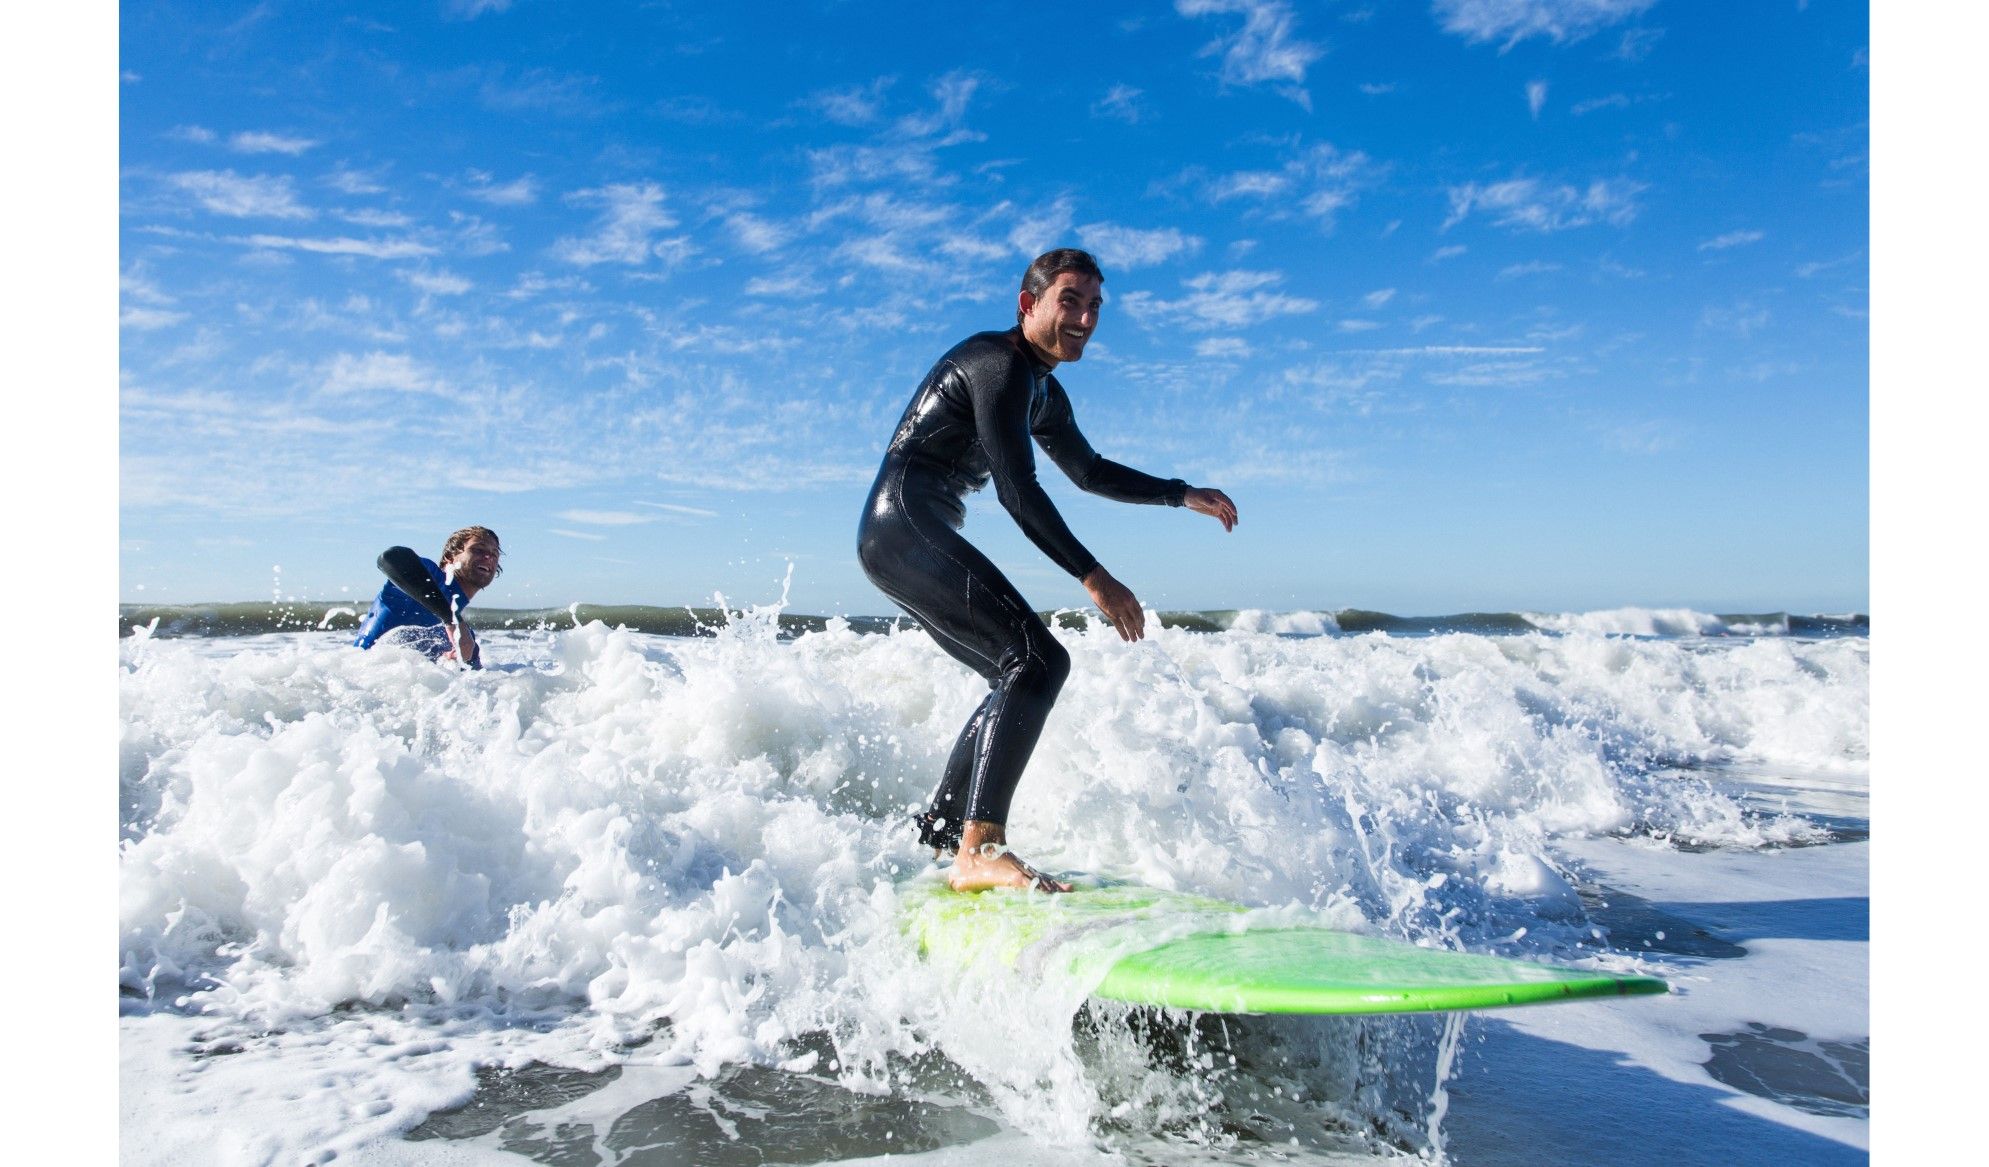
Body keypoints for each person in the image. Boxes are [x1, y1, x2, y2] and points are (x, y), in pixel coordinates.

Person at [857, 248, 1239, 893]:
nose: (1086, 317)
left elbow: (1089, 472)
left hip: (903, 534)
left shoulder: (1040, 390)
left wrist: (1180, 492)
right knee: (1037, 663)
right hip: (903, 523)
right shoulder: (996, 364)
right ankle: (981, 848)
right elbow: (1017, 488)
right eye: (1070, 300)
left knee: (1013, 675)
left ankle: (944, 840)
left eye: (1094, 306)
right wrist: (1093, 575)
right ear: (1028, 304)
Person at [353, 526, 503, 666]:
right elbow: (390, 557)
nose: (488, 556)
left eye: (495, 553)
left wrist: (452, 666)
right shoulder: (428, 575)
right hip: (360, 675)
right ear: (450, 557)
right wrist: (451, 619)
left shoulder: (465, 638)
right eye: (477, 549)